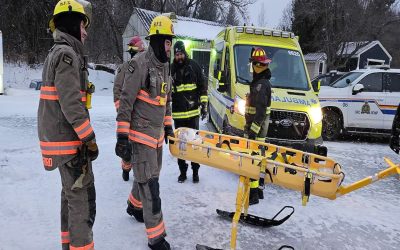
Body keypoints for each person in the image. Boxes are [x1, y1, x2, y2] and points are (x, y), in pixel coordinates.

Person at [37, 1, 98, 249]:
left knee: (70, 201)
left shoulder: (60, 51)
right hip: (69, 143)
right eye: (83, 25)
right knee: (82, 204)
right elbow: (71, 104)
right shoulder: (66, 55)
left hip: (64, 142)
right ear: (73, 23)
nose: (85, 31)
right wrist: (89, 138)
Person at [115, 15, 174, 250]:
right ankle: (156, 237)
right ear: (158, 41)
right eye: (167, 42)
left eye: (171, 42)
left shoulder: (166, 67)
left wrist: (168, 125)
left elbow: (166, 100)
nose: (170, 47)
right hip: (140, 136)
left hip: (157, 137)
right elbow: (125, 101)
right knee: (151, 186)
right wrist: (122, 136)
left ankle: (133, 205)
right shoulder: (138, 64)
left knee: (148, 177)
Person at [171, 41, 207, 183]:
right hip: (178, 116)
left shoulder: (194, 66)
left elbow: (202, 86)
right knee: (181, 145)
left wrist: (204, 104)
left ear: (185, 53)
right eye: (177, 55)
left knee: (194, 144)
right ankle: (182, 172)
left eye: (181, 54)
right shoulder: (171, 69)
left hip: (192, 114)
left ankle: (195, 172)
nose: (179, 57)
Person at [113, 36, 145, 181]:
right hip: (127, 116)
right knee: (126, 147)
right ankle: (126, 169)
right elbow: (117, 90)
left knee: (140, 148)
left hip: (141, 117)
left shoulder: (147, 67)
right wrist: (123, 112)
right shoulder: (125, 68)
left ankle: (139, 173)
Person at [244, 47, 272, 205]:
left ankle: (253, 194)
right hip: (257, 128)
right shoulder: (260, 83)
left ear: (257, 66)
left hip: (256, 130)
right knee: (259, 160)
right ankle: (258, 190)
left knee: (253, 161)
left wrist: (253, 132)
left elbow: (260, 113)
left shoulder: (261, 86)